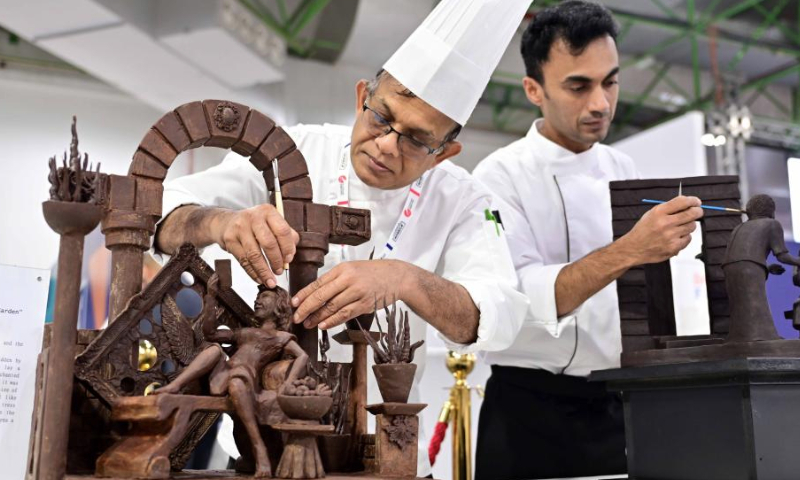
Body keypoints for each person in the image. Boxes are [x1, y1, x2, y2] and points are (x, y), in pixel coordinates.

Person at [153, 1, 531, 475]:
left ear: (444, 153)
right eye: (381, 118)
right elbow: (160, 214)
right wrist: (219, 223)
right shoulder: (290, 151)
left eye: (416, 140)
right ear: (361, 98)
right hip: (262, 453)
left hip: (384, 450)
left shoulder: (464, 200)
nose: (387, 144)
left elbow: (497, 314)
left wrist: (404, 279)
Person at [472, 2, 704, 479]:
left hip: (619, 408)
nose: (600, 103)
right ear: (534, 90)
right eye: (578, 85)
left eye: (610, 81)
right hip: (529, 412)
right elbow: (524, 295)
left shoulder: (622, 169)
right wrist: (632, 249)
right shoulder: (498, 176)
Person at [156, 276, 306, 477]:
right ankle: (175, 385)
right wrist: (211, 297)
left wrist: (287, 384)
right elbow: (209, 333)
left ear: (280, 305)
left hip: (244, 380)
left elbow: (302, 356)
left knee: (237, 382)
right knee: (215, 350)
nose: (258, 300)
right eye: (257, 296)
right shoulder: (244, 332)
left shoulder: (280, 337)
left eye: (265, 296)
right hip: (223, 375)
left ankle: (259, 450)